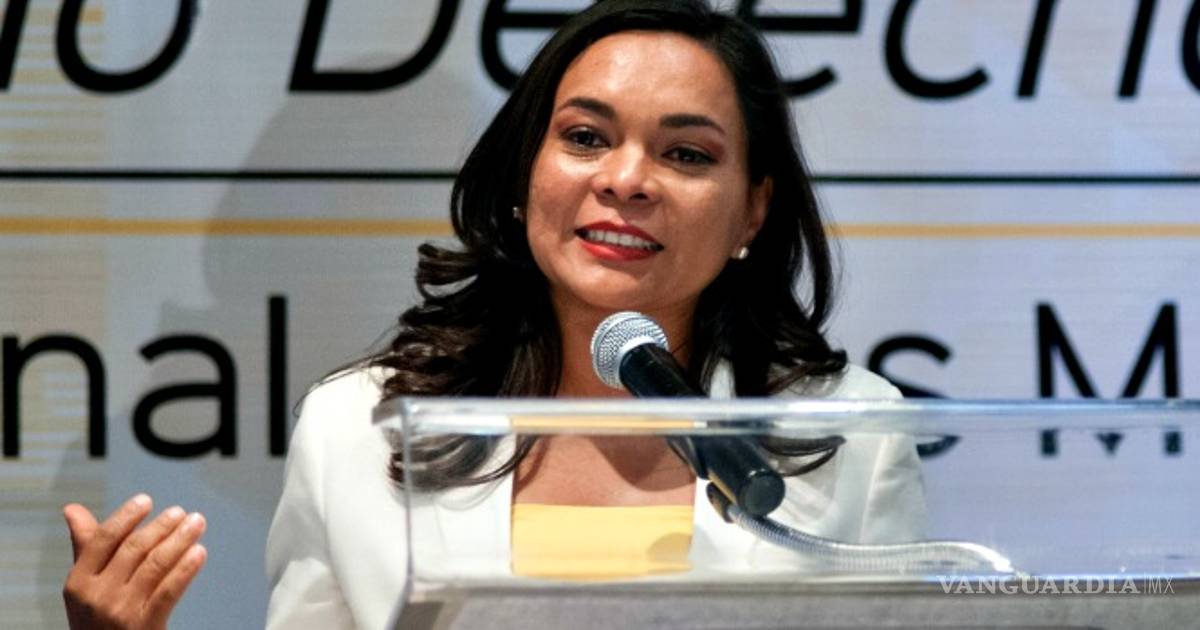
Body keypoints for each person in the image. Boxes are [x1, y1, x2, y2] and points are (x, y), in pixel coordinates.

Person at [62, 1, 924, 629]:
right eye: (585, 137)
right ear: (523, 174)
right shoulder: (358, 429)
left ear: (752, 213)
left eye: (687, 153)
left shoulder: (850, 432)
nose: (626, 179)